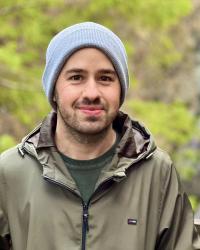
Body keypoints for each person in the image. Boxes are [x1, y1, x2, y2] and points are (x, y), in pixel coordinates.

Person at [0, 22, 199, 250]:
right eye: (76, 77)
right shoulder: (9, 173)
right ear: (54, 89)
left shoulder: (157, 173)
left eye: (105, 78)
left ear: (121, 90)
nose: (92, 93)